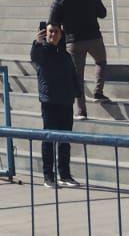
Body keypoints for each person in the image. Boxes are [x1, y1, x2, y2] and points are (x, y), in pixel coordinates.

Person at [47, 0, 108, 118]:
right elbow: (103, 13)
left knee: (77, 77)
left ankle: (81, 111)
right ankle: (98, 92)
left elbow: (52, 21)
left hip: (73, 41)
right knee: (100, 62)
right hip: (94, 37)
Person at [29, 22, 79, 188]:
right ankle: (48, 176)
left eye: (56, 32)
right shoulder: (42, 52)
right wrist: (36, 42)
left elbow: (73, 75)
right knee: (49, 139)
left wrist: (76, 94)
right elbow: (35, 57)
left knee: (65, 140)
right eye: (50, 32)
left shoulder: (65, 54)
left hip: (66, 101)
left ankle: (64, 174)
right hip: (49, 101)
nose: (53, 35)